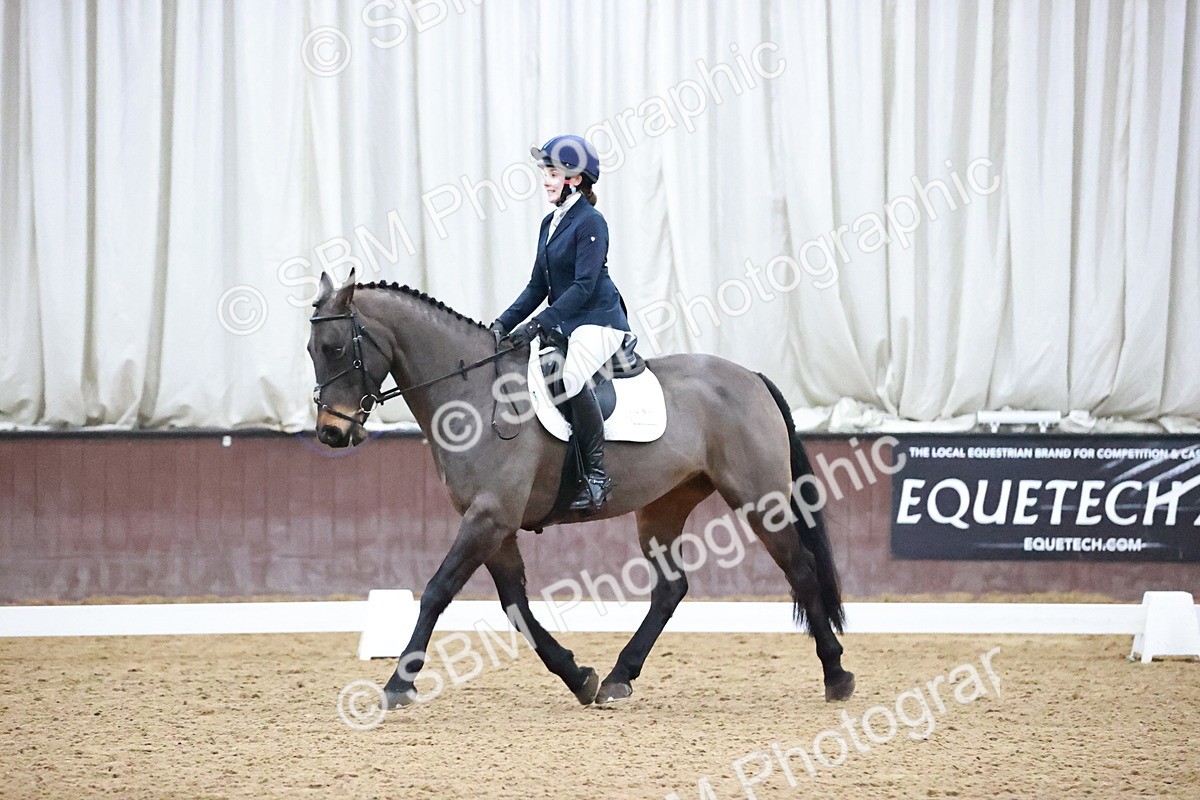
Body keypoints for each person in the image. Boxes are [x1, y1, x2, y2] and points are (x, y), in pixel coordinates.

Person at [490, 135, 631, 516]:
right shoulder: (549, 224)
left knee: (569, 378)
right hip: (567, 323)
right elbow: (538, 286)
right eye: (546, 173)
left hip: (598, 321)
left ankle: (597, 475)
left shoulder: (592, 223)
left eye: (552, 174)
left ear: (574, 179)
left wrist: (539, 325)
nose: (546, 180)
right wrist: (502, 324)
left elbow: (584, 287)